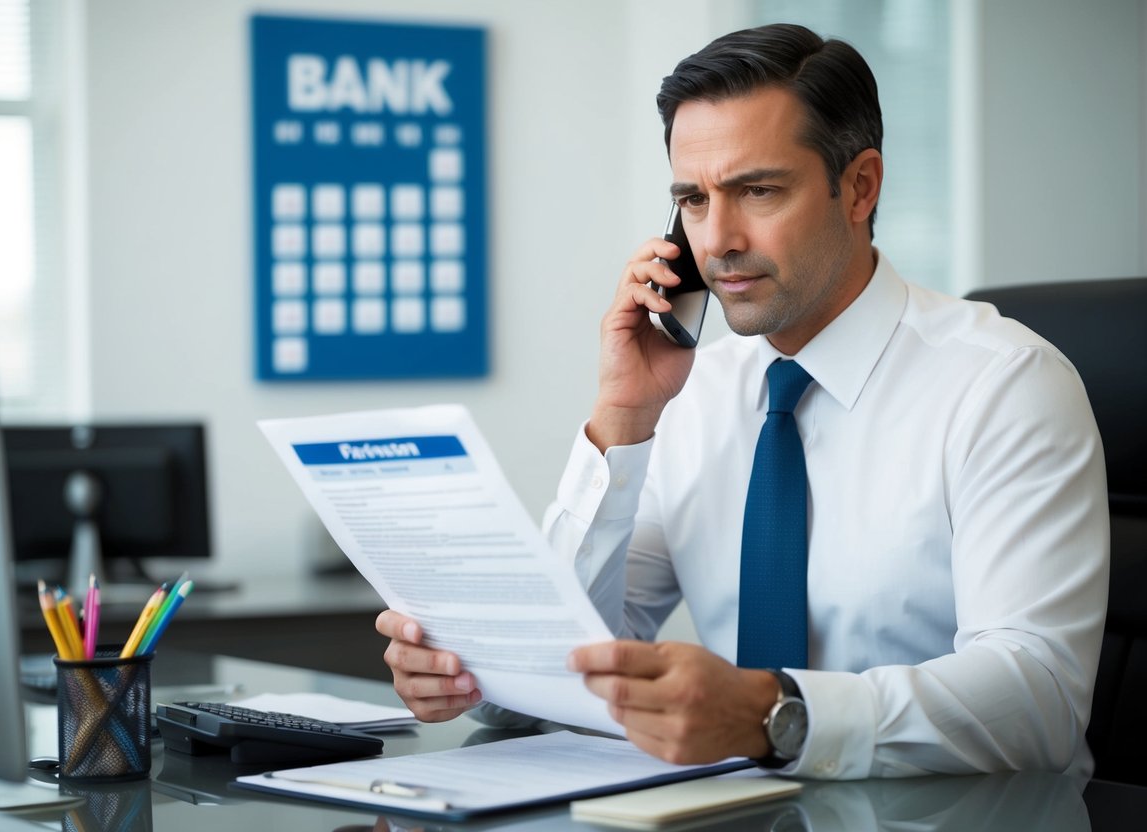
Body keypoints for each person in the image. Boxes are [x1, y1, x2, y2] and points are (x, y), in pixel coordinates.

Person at [377, 23, 1109, 779]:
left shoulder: (1005, 386)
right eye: (692, 200)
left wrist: (773, 713)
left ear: (858, 186)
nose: (716, 240)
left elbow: (1039, 700)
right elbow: (556, 668)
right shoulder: (695, 393)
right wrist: (622, 421)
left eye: (757, 191)